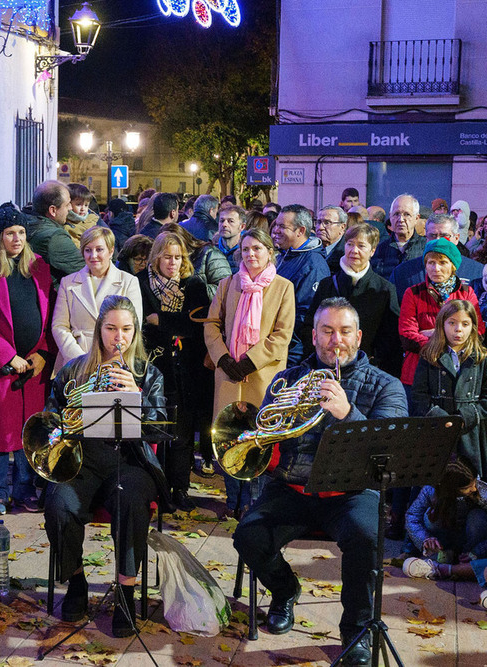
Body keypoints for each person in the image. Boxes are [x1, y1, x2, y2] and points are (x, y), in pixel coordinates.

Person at [233, 298, 407, 665]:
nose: (335, 340)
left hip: (352, 491)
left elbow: (388, 448)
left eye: (344, 332)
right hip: (293, 487)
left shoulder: (386, 385)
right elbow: (265, 439)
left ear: (358, 337)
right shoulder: (287, 379)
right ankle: (285, 590)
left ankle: (357, 631)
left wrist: (347, 412)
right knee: (247, 535)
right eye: (327, 331)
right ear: (313, 336)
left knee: (364, 536)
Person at [44, 295, 171, 636]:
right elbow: (51, 416)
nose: (119, 338)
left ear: (136, 332)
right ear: (99, 329)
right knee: (58, 504)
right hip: (81, 461)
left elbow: (160, 428)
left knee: (131, 503)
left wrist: (138, 398)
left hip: (130, 461)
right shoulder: (73, 369)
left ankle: (126, 594)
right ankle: (76, 581)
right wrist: (62, 424)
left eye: (127, 330)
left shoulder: (148, 373)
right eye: (111, 328)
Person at [0, 205, 53, 514]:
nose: (16, 239)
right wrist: (8, 356)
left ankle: (25, 489)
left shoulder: (40, 268)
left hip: (33, 367)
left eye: (20, 233)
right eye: (9, 234)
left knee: (28, 432)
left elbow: (49, 316)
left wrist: (42, 353)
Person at [204, 228, 296, 515]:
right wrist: (222, 358)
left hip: (263, 376)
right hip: (229, 375)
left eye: (257, 248)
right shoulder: (227, 284)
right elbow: (211, 325)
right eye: (245, 249)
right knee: (229, 439)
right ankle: (232, 502)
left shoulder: (282, 287)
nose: (251, 254)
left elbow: (282, 335)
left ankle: (253, 505)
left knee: (259, 441)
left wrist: (251, 360)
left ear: (270, 251)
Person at [138, 232, 211, 510]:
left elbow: (197, 325)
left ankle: (179, 487)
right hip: (155, 365)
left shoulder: (193, 284)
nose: (173, 263)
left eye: (178, 257)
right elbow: (142, 322)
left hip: (188, 368)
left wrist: (163, 320)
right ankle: (155, 486)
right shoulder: (143, 282)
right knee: (155, 428)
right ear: (157, 257)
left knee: (182, 432)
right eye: (167, 257)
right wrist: (171, 323)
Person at [306, 223, 400, 374]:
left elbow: (390, 335)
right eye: (350, 244)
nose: (354, 251)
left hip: (367, 368)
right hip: (325, 366)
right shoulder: (327, 285)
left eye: (361, 246)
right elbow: (310, 325)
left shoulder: (384, 289)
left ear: (372, 251)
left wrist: (373, 358)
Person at [411, 299, 487, 475]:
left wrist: (465, 417)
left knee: (470, 485)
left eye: (465, 324)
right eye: (452, 323)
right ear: (442, 325)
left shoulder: (481, 358)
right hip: (437, 433)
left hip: (471, 434)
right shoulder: (430, 355)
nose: (458, 329)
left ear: (473, 327)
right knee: (434, 483)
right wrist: (441, 418)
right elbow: (419, 395)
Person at [52, 226, 142, 373]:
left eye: (99, 249)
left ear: (111, 251)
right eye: (88, 250)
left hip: (115, 362)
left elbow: (133, 326)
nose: (93, 255)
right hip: (76, 361)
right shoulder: (68, 283)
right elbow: (59, 326)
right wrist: (79, 358)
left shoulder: (129, 281)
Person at [399, 239, 483, 392]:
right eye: (431, 262)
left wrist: (435, 333)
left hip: (457, 374)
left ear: (453, 266)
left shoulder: (466, 293)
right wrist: (450, 341)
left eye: (442, 262)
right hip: (417, 373)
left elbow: (477, 332)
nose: (435, 268)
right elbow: (407, 335)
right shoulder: (413, 293)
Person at [402, 459, 487, 583]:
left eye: (474, 483)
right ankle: (445, 554)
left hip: (472, 541)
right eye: (468, 487)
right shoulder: (430, 491)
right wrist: (424, 539)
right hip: (444, 536)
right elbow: (412, 516)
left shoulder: (481, 491)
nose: (474, 489)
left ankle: (460, 562)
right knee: (431, 515)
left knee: (477, 517)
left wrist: (477, 551)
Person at [271, 204, 331, 366]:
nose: (275, 230)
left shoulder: (313, 265)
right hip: (277, 346)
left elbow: (303, 316)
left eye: (282, 226)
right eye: (276, 225)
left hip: (291, 354)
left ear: (301, 231)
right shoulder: (284, 256)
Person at [389, 213, 485, 304]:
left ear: (456, 238)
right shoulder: (403, 273)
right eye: (432, 236)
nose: (438, 241)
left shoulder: (477, 271)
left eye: (444, 236)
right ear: (426, 238)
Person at [24, 180, 85, 285]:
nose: (70, 208)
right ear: (53, 210)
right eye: (67, 205)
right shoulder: (55, 238)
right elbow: (86, 270)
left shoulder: (25, 223)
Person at [372, 194, 425, 279]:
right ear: (390, 216)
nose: (401, 219)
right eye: (396, 214)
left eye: (407, 214)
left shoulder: (425, 248)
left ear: (417, 218)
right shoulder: (379, 250)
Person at [65, 184, 100, 248]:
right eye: (78, 204)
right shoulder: (64, 223)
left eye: (86, 205)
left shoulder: (94, 219)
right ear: (68, 204)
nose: (83, 209)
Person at [316, 205, 348, 273]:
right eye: (319, 222)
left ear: (342, 227)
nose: (320, 227)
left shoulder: (347, 254)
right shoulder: (311, 248)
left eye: (327, 223)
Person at [215, 203, 245, 273]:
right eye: (222, 221)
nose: (224, 225)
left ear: (242, 227)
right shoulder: (211, 251)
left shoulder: (247, 252)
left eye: (230, 221)